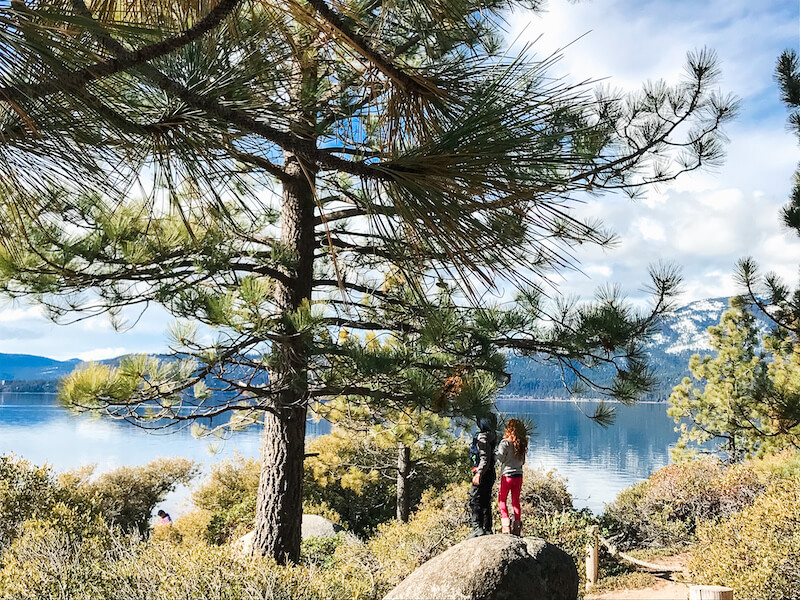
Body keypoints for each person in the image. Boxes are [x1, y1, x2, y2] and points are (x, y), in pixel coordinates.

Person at [495, 418, 528, 536]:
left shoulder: (505, 443)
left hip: (507, 476)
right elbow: (522, 462)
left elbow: (500, 459)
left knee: (502, 500)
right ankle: (517, 526)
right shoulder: (522, 443)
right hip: (519, 476)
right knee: (515, 502)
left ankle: (506, 525)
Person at [467, 412, 497, 538]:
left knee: (475, 499)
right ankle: (487, 528)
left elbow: (484, 458)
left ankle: (477, 528)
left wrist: (478, 473)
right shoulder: (492, 435)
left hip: (482, 473)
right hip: (490, 473)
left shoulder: (483, 438)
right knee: (485, 500)